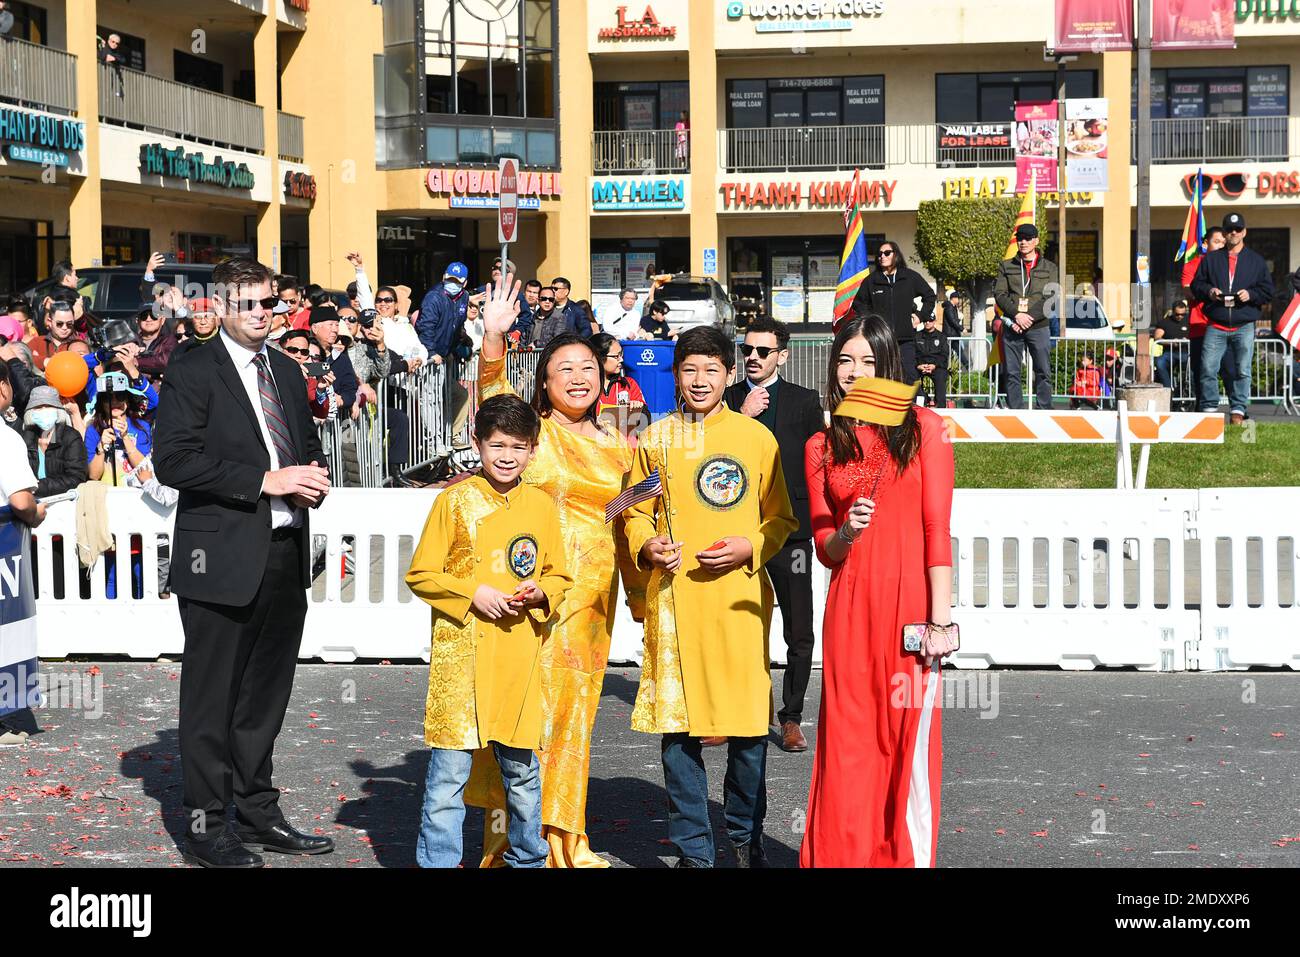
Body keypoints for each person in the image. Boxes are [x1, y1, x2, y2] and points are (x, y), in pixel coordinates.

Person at [153, 257, 333, 868]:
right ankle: (206, 828)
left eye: (270, 304)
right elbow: (173, 461)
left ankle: (257, 811)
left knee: (264, 698)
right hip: (218, 557)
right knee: (211, 701)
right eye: (250, 304)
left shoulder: (286, 368)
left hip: (284, 552)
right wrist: (266, 480)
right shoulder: (192, 369)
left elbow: (302, 446)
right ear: (222, 307)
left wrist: (311, 475)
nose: (263, 314)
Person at [463, 274, 639, 868]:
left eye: (587, 367)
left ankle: (564, 838)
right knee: (517, 716)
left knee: (572, 719)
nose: (578, 377)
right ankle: (509, 839)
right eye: (563, 368)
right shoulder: (531, 435)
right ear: (543, 379)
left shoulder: (621, 445)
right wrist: (492, 339)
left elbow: (624, 514)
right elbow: (490, 398)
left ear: (603, 374)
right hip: (526, 595)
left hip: (588, 605)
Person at [625, 325, 796, 868]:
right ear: (676, 375)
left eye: (711, 370)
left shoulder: (756, 439)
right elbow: (628, 510)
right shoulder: (656, 439)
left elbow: (781, 517)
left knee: (748, 734)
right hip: (676, 608)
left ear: (729, 374)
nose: (699, 381)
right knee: (679, 737)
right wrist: (646, 544)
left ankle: (746, 842)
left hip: (739, 608)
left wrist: (751, 544)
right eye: (689, 369)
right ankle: (694, 853)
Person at [800, 313, 954, 868]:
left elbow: (938, 531)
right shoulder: (821, 444)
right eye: (845, 360)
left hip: (911, 611)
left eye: (869, 361)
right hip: (849, 610)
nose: (856, 372)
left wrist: (941, 625)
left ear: (889, 365)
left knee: (904, 743)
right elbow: (823, 547)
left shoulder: (927, 430)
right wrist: (845, 531)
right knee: (848, 746)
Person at [406, 394, 573, 868]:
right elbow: (421, 574)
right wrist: (472, 594)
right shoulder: (453, 501)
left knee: (522, 773)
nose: (506, 456)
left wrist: (540, 592)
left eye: (518, 447)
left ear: (533, 450)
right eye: (497, 444)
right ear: (476, 442)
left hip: (519, 656)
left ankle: (527, 858)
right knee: (447, 778)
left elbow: (560, 575)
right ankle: (439, 862)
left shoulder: (541, 505)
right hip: (463, 660)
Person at [723, 316, 823, 754]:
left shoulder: (805, 401)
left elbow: (821, 463)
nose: (752, 358)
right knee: (735, 625)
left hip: (792, 532)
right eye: (747, 350)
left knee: (798, 630)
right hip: (736, 529)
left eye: (763, 351)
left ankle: (791, 717)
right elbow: (707, 450)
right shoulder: (725, 400)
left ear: (782, 355)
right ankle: (734, 712)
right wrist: (737, 417)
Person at [1190, 212, 1274, 424]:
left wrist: (1251, 295)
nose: (1233, 233)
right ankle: (1209, 409)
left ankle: (1237, 411)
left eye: (1238, 229)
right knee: (1208, 368)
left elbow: (1267, 291)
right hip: (1216, 325)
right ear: (1225, 234)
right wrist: (1210, 292)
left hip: (1244, 325)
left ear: (1244, 232)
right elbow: (1196, 285)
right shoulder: (1210, 259)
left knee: (1242, 371)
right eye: (1229, 230)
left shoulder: (1256, 261)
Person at [0, 361, 46, 746]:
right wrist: (38, 512)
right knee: (6, 627)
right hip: (3, 540)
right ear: (3, 389)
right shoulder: (6, 438)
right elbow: (19, 500)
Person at [851, 240, 936, 384]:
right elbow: (858, 304)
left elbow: (930, 296)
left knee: (909, 377)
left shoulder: (910, 277)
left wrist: (920, 317)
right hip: (881, 340)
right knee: (881, 377)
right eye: (879, 254)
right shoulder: (872, 280)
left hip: (906, 340)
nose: (882, 256)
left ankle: (912, 406)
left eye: (887, 253)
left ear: (896, 255)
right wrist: (871, 321)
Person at [994, 223, 1058, 410]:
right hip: (1012, 326)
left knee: (1043, 371)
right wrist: (1016, 316)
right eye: (1020, 238)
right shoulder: (1006, 266)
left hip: (1039, 326)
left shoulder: (1049, 267)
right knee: (1012, 372)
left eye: (1028, 238)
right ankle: (1016, 412)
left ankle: (1045, 409)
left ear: (1036, 241)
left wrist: (1028, 317)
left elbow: (1051, 297)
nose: (1023, 242)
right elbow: (1000, 294)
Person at [1181, 226, 1228, 411]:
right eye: (1217, 242)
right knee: (1201, 370)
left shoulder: (1231, 265)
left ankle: (1238, 412)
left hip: (1226, 326)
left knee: (1231, 370)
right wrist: (1210, 291)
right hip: (1201, 326)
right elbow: (1189, 291)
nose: (1221, 245)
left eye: (1224, 242)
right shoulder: (1193, 265)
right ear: (1205, 243)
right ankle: (1203, 409)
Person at [85, 373, 152, 485]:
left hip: (136, 494)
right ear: (101, 402)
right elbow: (94, 476)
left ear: (128, 399)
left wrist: (125, 438)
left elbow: (144, 469)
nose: (114, 402)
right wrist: (101, 448)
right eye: (108, 398)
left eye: (120, 396)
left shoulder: (142, 427)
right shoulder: (93, 430)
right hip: (107, 493)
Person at [21, 386, 87, 497]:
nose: (43, 411)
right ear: (31, 412)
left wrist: (38, 486)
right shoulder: (25, 438)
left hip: (63, 502)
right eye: (38, 407)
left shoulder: (71, 438)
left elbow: (76, 478)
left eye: (48, 406)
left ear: (58, 410)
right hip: (31, 502)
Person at [416, 262, 471, 365]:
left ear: (465, 283)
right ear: (443, 278)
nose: (452, 283)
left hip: (447, 355)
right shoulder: (433, 297)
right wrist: (431, 352)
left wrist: (458, 345)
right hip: (431, 358)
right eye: (450, 279)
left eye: (457, 281)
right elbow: (426, 327)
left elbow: (459, 323)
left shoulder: (464, 297)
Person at [590, 332, 646, 432]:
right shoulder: (587, 387)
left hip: (626, 445)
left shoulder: (629, 384)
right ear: (599, 357)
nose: (621, 359)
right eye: (616, 356)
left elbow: (646, 422)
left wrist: (638, 410)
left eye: (621, 354)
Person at [309, 304, 359, 417]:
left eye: (337, 325)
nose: (335, 330)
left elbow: (350, 389)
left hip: (333, 424)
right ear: (315, 328)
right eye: (331, 325)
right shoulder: (303, 353)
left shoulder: (341, 359)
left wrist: (342, 399)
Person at [280, 329, 333, 419]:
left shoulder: (311, 382)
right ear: (281, 350)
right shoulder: (270, 374)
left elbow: (321, 413)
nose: (298, 355)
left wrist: (320, 390)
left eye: (304, 352)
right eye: (293, 350)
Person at [373, 284, 426, 361]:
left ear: (396, 305)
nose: (383, 303)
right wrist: (360, 272)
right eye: (379, 300)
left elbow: (419, 347)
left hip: (411, 370)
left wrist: (420, 359)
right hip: (391, 370)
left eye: (388, 300)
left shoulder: (406, 325)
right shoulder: (374, 324)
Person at [28, 299, 80, 372]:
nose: (64, 328)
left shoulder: (79, 343)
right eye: (59, 324)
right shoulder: (37, 342)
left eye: (69, 324)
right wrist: (44, 361)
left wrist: (47, 362)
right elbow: (21, 358)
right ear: (49, 322)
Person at [1153, 300, 1192, 395]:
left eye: (1182, 314)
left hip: (1186, 353)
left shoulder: (1189, 320)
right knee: (1159, 362)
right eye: (1177, 314)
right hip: (1169, 353)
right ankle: (1169, 390)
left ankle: (1188, 390)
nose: (1180, 316)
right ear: (1173, 311)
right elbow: (1157, 338)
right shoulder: (1164, 322)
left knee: (1193, 366)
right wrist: (1171, 343)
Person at [135, 303, 180, 383]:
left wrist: (136, 361)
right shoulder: (130, 341)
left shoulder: (170, 340)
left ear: (162, 320)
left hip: (160, 391)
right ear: (137, 321)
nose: (148, 319)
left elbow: (165, 361)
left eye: (154, 315)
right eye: (144, 316)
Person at [914, 312, 950, 408]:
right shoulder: (917, 336)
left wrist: (934, 365)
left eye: (930, 320)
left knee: (941, 376)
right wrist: (918, 365)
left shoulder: (941, 337)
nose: (927, 323)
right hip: (920, 366)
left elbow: (944, 355)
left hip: (936, 366)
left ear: (934, 321)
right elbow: (913, 354)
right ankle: (921, 401)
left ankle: (941, 406)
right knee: (911, 375)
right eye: (925, 321)